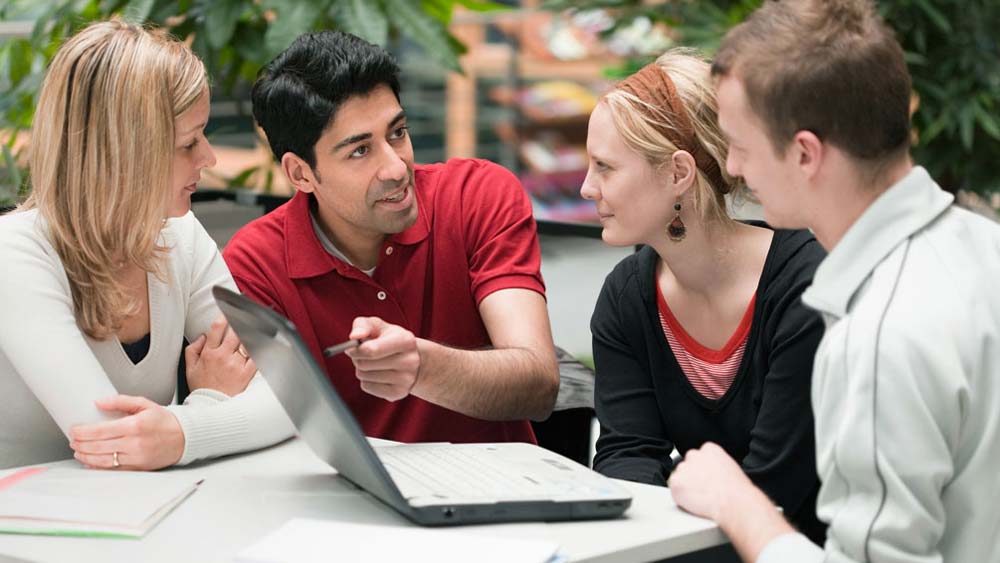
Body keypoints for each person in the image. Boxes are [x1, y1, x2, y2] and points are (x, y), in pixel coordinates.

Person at [668, 1, 1000, 562]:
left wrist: (738, 504)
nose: (733, 167)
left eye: (740, 146)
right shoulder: (984, 247)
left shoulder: (878, 336)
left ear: (805, 153)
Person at [222, 31, 559, 444]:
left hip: (501, 495)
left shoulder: (478, 195)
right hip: (347, 503)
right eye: (360, 151)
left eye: (397, 132)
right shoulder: (255, 263)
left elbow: (538, 384)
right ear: (300, 174)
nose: (397, 168)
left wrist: (423, 366)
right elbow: (273, 432)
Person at [0, 20, 293, 471]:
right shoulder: (16, 255)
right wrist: (216, 401)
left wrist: (181, 433)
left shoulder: (181, 236)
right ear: (122, 154)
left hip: (141, 518)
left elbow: (289, 393)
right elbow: (108, 444)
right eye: (188, 143)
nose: (209, 158)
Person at [581, 48, 826, 542]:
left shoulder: (806, 287)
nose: (587, 188)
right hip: (691, 541)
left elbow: (778, 487)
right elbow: (626, 457)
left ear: (678, 173)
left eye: (605, 167)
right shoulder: (626, 297)